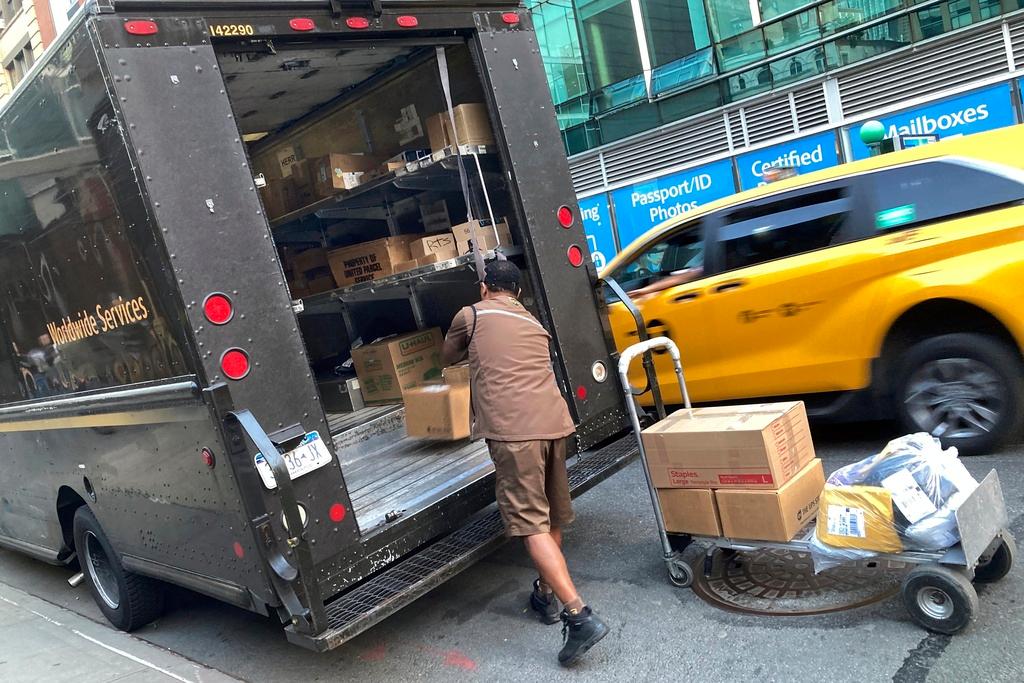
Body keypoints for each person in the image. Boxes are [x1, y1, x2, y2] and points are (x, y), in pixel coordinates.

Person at [442, 260, 609, 666]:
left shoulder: (472, 314)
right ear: (516, 291)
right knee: (550, 516)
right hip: (555, 426)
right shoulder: (533, 321)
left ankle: (578, 614)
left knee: (529, 522)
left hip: (515, 434)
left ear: (485, 288)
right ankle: (546, 596)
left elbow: (447, 357)